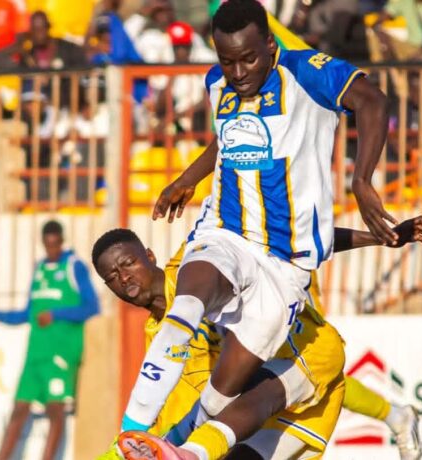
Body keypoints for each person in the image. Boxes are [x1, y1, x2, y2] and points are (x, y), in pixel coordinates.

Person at [119, 0, 397, 454]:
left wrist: (361, 179)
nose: (238, 72)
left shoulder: (307, 72)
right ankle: (129, 431)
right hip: (224, 232)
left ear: (269, 44)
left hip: (285, 268)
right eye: (227, 61)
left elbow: (373, 100)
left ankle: (172, 446)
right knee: (185, 304)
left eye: (248, 59)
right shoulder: (216, 83)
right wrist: (189, 179)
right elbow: (227, 137)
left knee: (219, 396)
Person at [93, 217, 422, 459]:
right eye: (112, 276)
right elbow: (179, 415)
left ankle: (395, 415)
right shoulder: (160, 347)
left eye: (128, 264)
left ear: (149, 256)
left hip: (306, 348)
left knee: (270, 379)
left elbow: (295, 240)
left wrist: (382, 237)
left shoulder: (195, 262)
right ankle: (397, 415)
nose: (124, 277)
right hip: (263, 407)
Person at [0, 220, 99, 460]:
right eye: (47, 244)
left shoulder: (74, 266)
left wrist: (56, 314)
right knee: (18, 411)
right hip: (35, 354)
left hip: (60, 353)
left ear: (61, 241)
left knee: (55, 410)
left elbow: (91, 307)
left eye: (55, 244)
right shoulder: (40, 269)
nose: (51, 248)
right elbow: (28, 313)